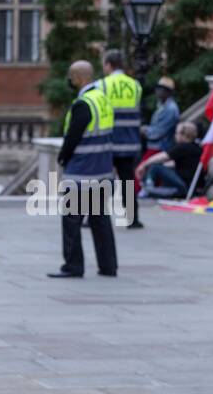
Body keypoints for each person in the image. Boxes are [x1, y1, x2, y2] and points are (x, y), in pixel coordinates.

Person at [50, 59, 118, 279]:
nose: (70, 80)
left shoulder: (83, 103)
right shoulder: (102, 99)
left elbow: (73, 137)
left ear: (80, 78)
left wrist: (63, 158)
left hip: (82, 172)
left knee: (71, 220)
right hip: (102, 170)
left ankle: (73, 265)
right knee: (100, 219)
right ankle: (108, 266)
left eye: (71, 76)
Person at [101, 49, 144, 229]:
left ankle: (95, 218)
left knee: (102, 180)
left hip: (108, 142)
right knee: (127, 181)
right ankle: (132, 218)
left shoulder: (102, 85)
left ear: (109, 65)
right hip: (130, 141)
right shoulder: (135, 86)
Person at [136, 121, 200, 198]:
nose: (175, 136)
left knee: (155, 166)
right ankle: (150, 190)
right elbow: (175, 164)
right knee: (160, 167)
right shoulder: (196, 148)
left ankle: (147, 189)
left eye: (177, 133)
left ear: (184, 135)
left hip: (183, 187)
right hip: (191, 188)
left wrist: (144, 164)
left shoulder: (183, 147)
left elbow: (162, 157)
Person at [143, 76, 180, 157]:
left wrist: (144, 130)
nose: (158, 91)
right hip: (155, 147)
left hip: (160, 148)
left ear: (169, 92)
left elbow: (157, 133)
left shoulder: (170, 109)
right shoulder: (162, 106)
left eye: (161, 89)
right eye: (158, 88)